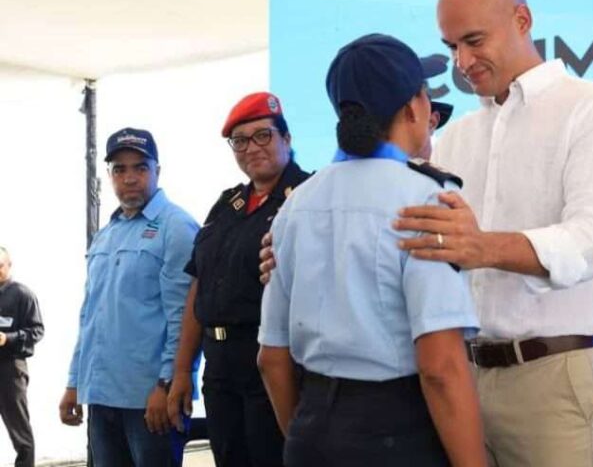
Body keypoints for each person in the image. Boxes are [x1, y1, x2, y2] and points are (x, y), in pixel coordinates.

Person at [393, 0, 593, 466]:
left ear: (523, 20)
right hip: (463, 378)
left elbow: (592, 239)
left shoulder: (592, 109)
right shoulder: (454, 138)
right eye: (451, 46)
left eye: (474, 40)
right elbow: (404, 233)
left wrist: (483, 246)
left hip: (553, 381)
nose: (461, 61)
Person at [257, 33, 486, 467]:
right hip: (397, 432)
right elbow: (440, 367)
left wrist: (310, 436)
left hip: (310, 430)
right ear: (414, 106)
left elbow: (271, 359)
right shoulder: (426, 200)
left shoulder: (295, 205)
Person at [165, 93, 310, 467]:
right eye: (240, 141)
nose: (251, 148)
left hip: (276, 361)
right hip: (219, 367)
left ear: (287, 139)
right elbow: (200, 285)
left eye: (263, 135)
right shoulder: (227, 204)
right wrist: (183, 370)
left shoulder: (308, 198)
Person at [61, 128, 198, 467]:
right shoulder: (106, 235)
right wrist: (74, 382)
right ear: (110, 176)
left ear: (157, 171)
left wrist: (166, 385)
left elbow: (184, 317)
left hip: (150, 401)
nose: (130, 178)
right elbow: (90, 316)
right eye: (119, 170)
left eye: (140, 167)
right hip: (102, 397)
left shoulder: (176, 227)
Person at [0, 246, 44, 467]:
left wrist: (8, 338)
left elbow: (37, 331)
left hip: (10, 370)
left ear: (9, 265)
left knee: (19, 432)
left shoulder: (22, 294)